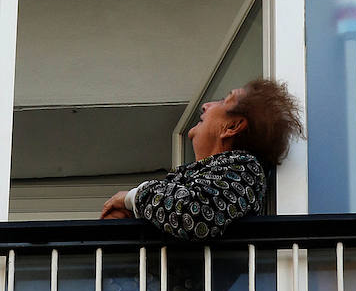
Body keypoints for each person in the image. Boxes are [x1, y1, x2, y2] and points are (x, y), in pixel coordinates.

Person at [100, 78, 304, 240]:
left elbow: (197, 215)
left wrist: (133, 198)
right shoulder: (206, 176)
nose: (206, 105)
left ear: (232, 127)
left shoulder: (244, 169)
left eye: (225, 101)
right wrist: (125, 220)